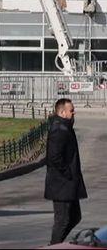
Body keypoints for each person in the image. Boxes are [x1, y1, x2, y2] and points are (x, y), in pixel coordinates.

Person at [45, 98, 88, 245]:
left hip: (68, 184)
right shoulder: (59, 130)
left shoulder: (65, 127)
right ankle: (54, 246)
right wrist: (67, 174)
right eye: (71, 110)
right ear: (62, 113)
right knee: (62, 220)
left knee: (75, 216)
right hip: (61, 184)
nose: (74, 112)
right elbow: (54, 158)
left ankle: (57, 244)